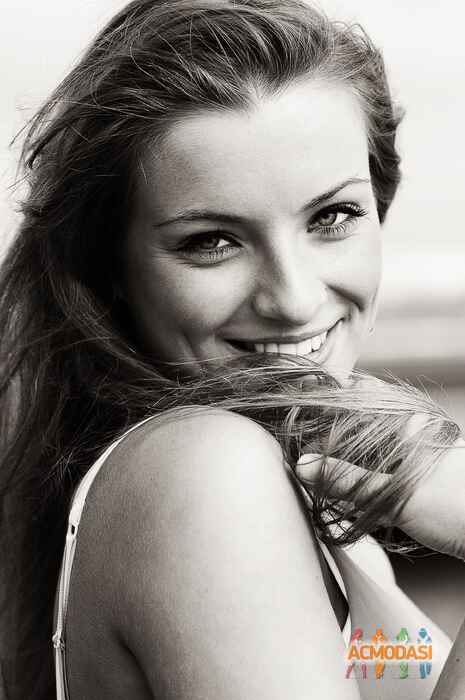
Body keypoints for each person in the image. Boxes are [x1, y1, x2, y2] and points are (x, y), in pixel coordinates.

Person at [0, 0, 464, 698]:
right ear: (111, 269)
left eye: (332, 216)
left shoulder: (324, 523)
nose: (293, 299)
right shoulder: (205, 478)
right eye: (212, 241)